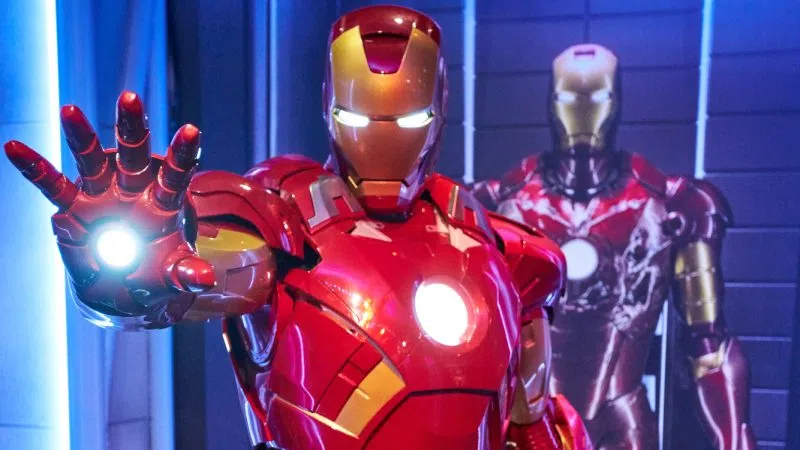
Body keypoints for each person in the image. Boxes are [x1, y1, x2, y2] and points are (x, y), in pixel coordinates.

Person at [4, 6, 590, 450]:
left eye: (411, 116)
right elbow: (185, 268)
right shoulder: (286, 215)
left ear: (439, 107)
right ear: (329, 105)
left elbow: (531, 415)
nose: (383, 136)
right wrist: (131, 258)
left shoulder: (491, 243)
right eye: (356, 114)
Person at [473, 43, 755, 450]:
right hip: (531, 422)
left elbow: (707, 346)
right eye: (569, 98)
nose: (582, 114)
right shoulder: (499, 204)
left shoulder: (672, 203)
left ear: (615, 100)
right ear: (552, 101)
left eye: (597, 97)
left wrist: (733, 439)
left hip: (622, 421)